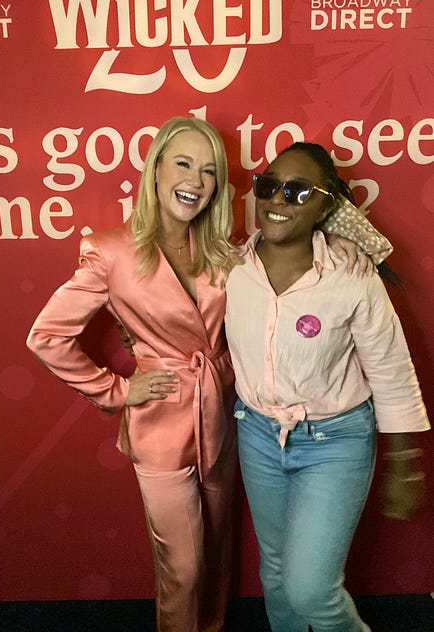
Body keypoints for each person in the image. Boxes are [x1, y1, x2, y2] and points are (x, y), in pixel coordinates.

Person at [27, 117, 385, 632]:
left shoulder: (228, 251)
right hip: (160, 424)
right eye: (183, 163)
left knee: (216, 554)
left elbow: (303, 240)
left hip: (228, 420)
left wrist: (341, 245)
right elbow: (47, 336)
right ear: (155, 171)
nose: (196, 178)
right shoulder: (110, 250)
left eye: (210, 170)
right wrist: (118, 389)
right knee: (184, 566)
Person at [224, 142, 430, 632]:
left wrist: (404, 466)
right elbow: (173, 313)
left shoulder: (352, 276)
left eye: (298, 191)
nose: (278, 200)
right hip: (256, 435)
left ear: (326, 204)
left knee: (310, 588)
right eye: (269, 186)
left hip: (335, 443)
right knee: (275, 572)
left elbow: (393, 373)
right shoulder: (230, 268)